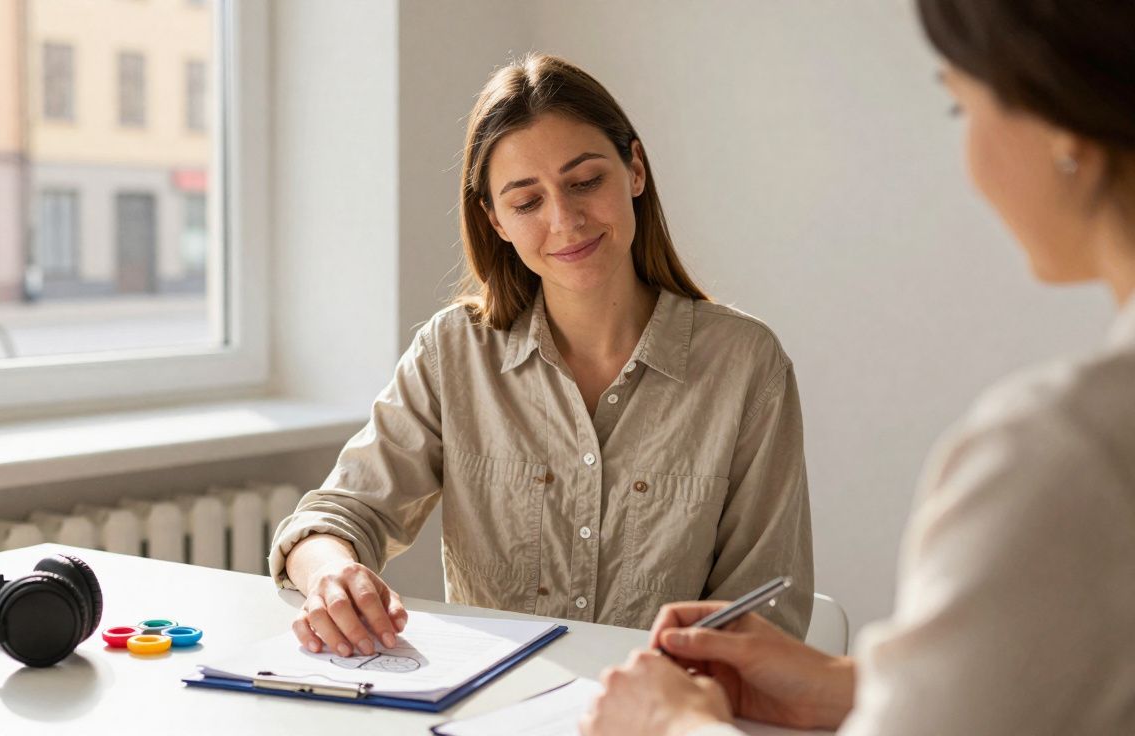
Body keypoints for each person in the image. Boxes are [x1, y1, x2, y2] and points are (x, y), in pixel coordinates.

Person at [582, 2, 1135, 734]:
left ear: (1062, 127)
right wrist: (851, 687)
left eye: (961, 106)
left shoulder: (1059, 460)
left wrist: (672, 724)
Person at [267, 54, 815, 660]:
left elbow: (763, 612)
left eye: (585, 182)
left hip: (665, 704)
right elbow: (337, 516)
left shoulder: (745, 364)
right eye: (527, 202)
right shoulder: (454, 352)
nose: (565, 220)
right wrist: (331, 574)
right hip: (490, 702)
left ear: (634, 169)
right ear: (495, 220)